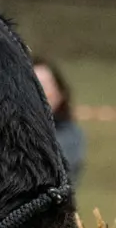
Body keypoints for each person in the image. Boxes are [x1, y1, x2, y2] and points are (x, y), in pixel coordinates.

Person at [33, 55, 86, 184]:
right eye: (32, 86)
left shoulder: (69, 137)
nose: (39, 94)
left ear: (60, 94)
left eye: (44, 86)